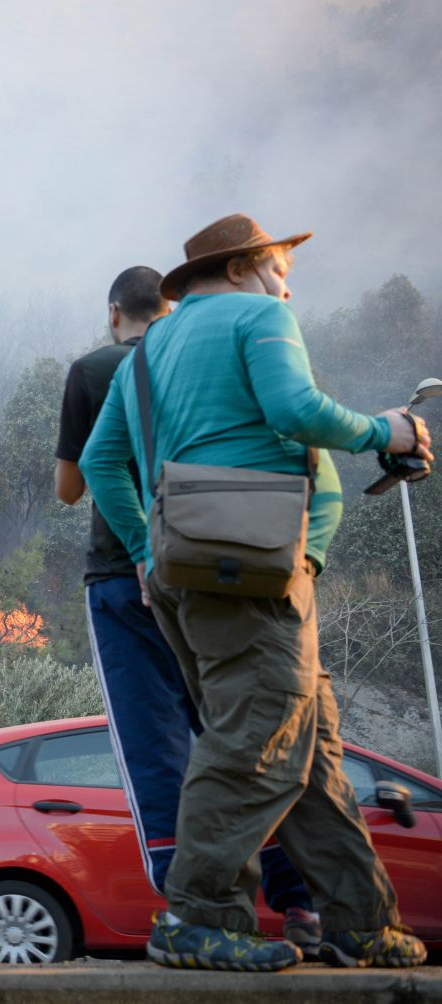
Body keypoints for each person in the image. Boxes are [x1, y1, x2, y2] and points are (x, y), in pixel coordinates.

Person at [80, 214, 431, 972]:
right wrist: (386, 431)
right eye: (278, 264)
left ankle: (361, 922)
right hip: (252, 568)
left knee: (311, 751)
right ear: (241, 267)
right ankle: (199, 915)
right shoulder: (263, 315)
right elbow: (294, 412)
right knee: (257, 738)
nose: (287, 280)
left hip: (183, 571)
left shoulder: (150, 349)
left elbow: (100, 459)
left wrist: (145, 548)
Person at [55, 266, 320, 948]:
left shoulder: (94, 369)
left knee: (154, 744)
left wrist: (145, 550)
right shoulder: (205, 359)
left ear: (115, 312)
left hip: (124, 576)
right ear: (171, 308)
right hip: (224, 568)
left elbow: (71, 484)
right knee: (243, 740)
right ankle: (301, 903)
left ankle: (190, 909)